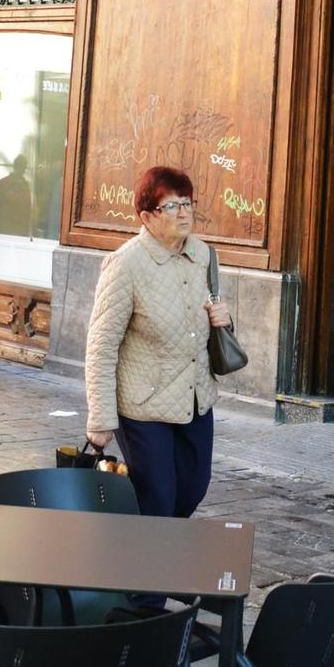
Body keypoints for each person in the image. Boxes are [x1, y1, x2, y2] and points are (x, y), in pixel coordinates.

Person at [83, 166, 232, 517]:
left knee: (194, 487)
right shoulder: (125, 265)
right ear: (147, 216)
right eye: (171, 206)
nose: (183, 213)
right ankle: (149, 564)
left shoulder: (204, 255)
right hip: (143, 406)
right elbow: (101, 346)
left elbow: (205, 326)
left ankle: (158, 547)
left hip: (195, 399)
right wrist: (100, 418)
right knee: (157, 498)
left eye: (187, 203)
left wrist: (223, 319)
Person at [0, 155, 34, 235]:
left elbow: (28, 209)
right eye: (20, 166)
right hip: (4, 229)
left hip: (20, 231)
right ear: (15, 166)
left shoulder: (25, 186)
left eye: (23, 167)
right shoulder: (3, 184)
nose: (22, 169)